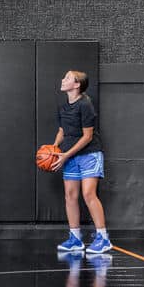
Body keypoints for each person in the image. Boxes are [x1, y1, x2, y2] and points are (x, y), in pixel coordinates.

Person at [52, 70, 112, 255]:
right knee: (70, 196)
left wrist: (66, 154)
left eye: (68, 77)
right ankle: (75, 239)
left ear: (77, 84)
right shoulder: (63, 107)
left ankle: (103, 238)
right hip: (69, 156)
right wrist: (54, 148)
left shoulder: (85, 105)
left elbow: (87, 137)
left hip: (89, 154)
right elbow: (63, 130)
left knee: (88, 194)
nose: (63, 79)